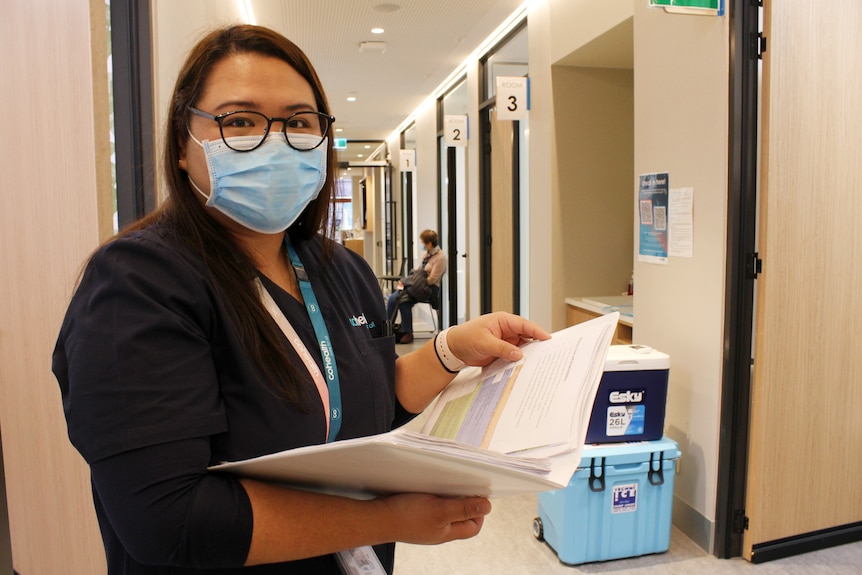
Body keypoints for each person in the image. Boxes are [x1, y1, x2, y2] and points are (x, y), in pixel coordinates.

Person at [51, 24, 550, 575]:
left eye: (298, 122)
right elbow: (169, 521)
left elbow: (368, 401)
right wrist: (387, 519)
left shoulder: (337, 269)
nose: (275, 141)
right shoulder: (137, 286)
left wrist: (450, 351)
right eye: (239, 121)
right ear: (181, 143)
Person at [386, 229, 447, 344]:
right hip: (418, 286)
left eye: (423, 242)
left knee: (401, 298)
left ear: (429, 243)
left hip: (429, 289)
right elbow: (419, 271)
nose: (422, 245)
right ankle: (388, 327)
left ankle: (405, 332)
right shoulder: (426, 255)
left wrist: (414, 284)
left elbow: (433, 279)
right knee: (396, 299)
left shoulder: (441, 258)